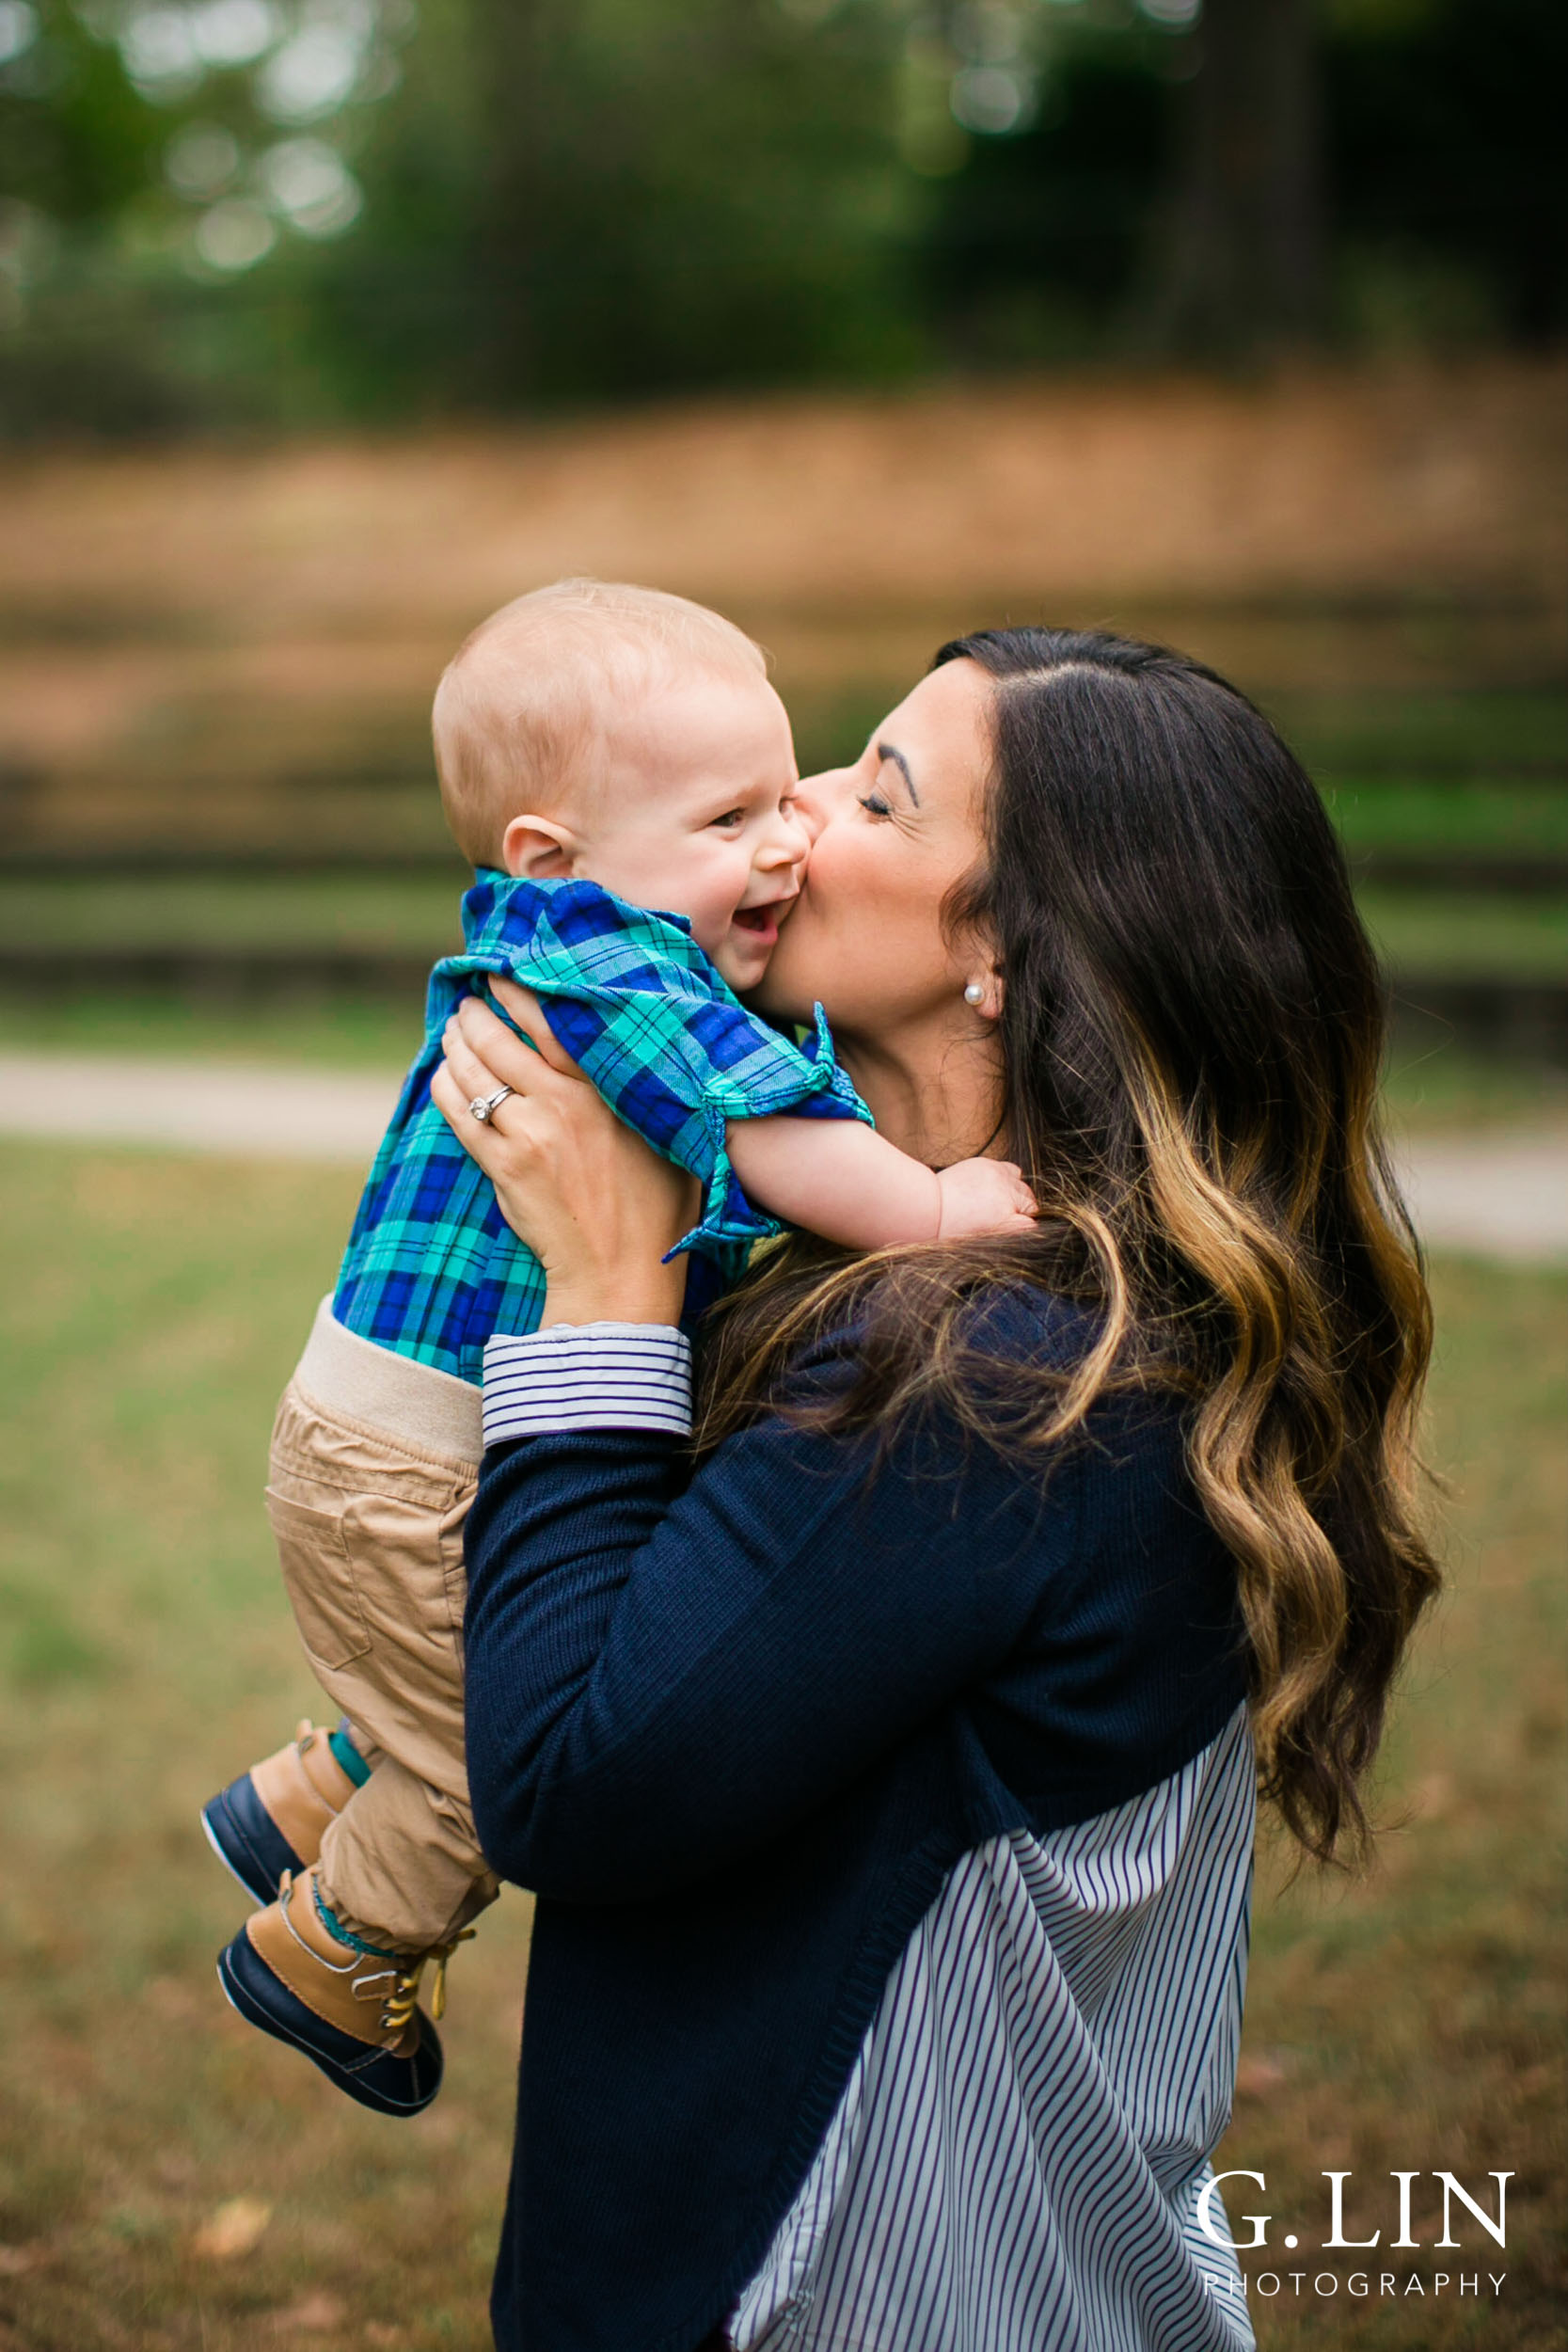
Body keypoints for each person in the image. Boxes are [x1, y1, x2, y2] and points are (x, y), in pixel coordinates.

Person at [432, 628, 1440, 2352]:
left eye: (873, 793)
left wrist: (607, 1296)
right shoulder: (1086, 1311)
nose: (799, 817)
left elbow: (569, 1788)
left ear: (1000, 950)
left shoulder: (995, 1386)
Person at [201, 580, 1034, 2119]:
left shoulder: (584, 937)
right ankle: (328, 1948)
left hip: (390, 1427)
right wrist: (931, 1208)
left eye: (793, 795)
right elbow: (766, 1133)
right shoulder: (622, 974)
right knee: (478, 1778)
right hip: (416, 1453)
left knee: (442, 1660)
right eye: (734, 820)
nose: (786, 839)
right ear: (553, 851)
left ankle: (302, 1794)